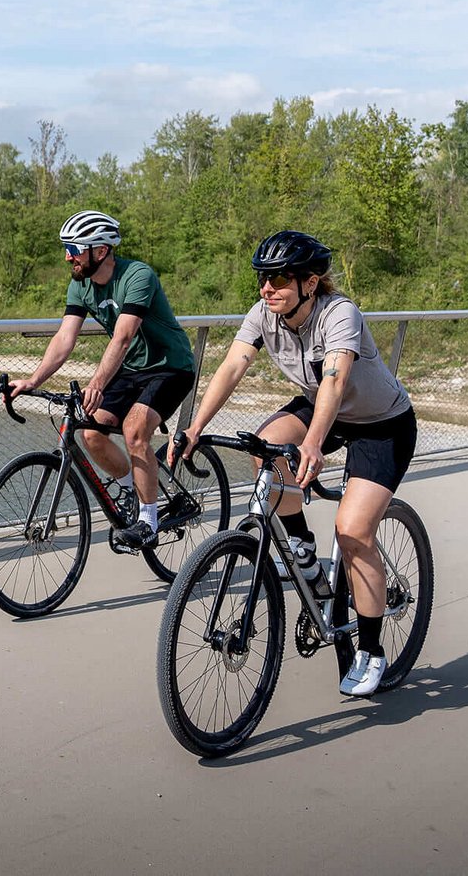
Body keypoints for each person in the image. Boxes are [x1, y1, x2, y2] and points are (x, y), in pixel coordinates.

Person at [174, 230, 418, 698]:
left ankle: (370, 650)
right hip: (319, 405)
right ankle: (302, 546)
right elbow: (231, 367)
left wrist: (313, 444)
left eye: (280, 278)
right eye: (263, 278)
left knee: (352, 532)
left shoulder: (338, 313)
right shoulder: (264, 313)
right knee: (264, 445)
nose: (268, 288)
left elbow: (335, 378)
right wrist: (195, 427)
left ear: (310, 281)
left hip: (380, 422)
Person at [8, 210, 198, 551]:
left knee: (134, 431)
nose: (68, 256)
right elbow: (65, 338)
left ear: (101, 250)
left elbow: (123, 337)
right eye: (67, 248)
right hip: (131, 369)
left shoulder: (137, 275)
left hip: (171, 366)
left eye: (75, 248)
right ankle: (130, 488)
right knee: (92, 432)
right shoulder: (80, 284)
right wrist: (33, 380)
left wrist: (96, 384)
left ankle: (148, 522)